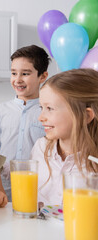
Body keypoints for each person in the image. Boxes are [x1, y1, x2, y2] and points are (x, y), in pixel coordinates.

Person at [0, 45, 50, 200]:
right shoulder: (1, 110)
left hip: (38, 185)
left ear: (42, 77)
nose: (17, 79)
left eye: (25, 73)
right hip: (4, 184)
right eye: (13, 73)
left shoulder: (47, 111)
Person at [31, 68, 98, 205]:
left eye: (50, 108)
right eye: (41, 108)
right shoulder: (40, 148)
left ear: (85, 116)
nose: (41, 117)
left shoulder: (95, 162)